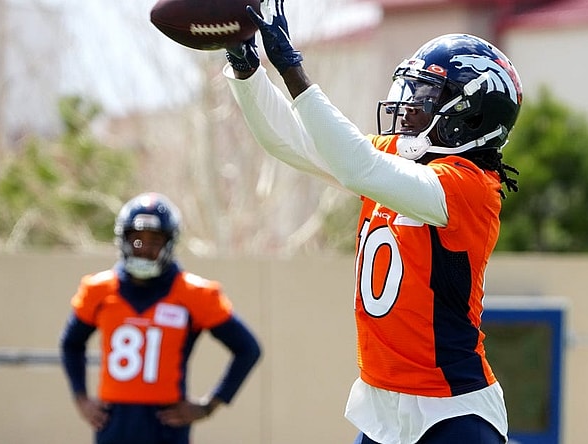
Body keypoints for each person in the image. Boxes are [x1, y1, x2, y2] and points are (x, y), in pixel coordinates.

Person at [224, 1, 523, 442]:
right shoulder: (394, 158)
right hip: (382, 405)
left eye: (424, 95)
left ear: (470, 114)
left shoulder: (471, 188)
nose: (407, 105)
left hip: (451, 410)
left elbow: (355, 166)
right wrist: (247, 67)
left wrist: (293, 68)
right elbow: (288, 141)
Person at [59, 192, 262, 444]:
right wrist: (81, 399)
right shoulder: (98, 289)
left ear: (169, 244)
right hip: (114, 423)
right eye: (136, 240)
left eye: (155, 241)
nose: (144, 248)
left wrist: (208, 406)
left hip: (165, 425)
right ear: (123, 240)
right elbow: (71, 343)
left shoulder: (194, 294)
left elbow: (247, 349)